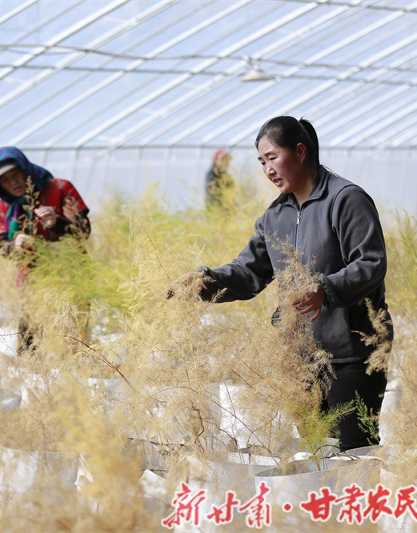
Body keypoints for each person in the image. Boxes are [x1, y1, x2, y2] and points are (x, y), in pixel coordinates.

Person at [168, 116, 392, 451]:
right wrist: (205, 282)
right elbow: (248, 272)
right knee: (319, 453)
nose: (267, 169)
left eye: (272, 157)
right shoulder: (275, 217)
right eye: (261, 162)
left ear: (300, 152)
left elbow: (371, 262)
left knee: (355, 453)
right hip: (298, 358)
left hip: (352, 355)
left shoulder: (345, 199)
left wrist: (325, 289)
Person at [0, 146, 91, 353]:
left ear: (26, 168)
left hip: (73, 276)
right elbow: (3, 247)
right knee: (30, 346)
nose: (13, 182)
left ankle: (79, 382)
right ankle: (33, 382)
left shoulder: (60, 188)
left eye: (16, 175)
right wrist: (14, 245)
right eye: (5, 180)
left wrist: (56, 222)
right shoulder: (1, 209)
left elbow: (84, 230)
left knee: (76, 342)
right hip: (32, 281)